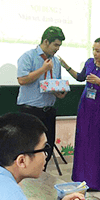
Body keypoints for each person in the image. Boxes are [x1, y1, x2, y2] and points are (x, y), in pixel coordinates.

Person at [61, 37, 100, 191]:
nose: (94, 53)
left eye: (98, 50)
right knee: (84, 141)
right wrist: (66, 66)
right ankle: (83, 178)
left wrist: (99, 82)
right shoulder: (89, 63)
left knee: (99, 144)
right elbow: (80, 77)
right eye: (93, 49)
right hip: (86, 107)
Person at [17, 26, 67, 156]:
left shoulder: (55, 61)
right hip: (30, 111)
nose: (57, 48)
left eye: (59, 46)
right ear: (46, 42)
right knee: (29, 148)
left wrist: (60, 92)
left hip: (48, 111)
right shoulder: (28, 57)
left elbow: (54, 84)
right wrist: (43, 69)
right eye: (55, 45)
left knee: (47, 149)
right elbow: (22, 80)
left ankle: (43, 171)